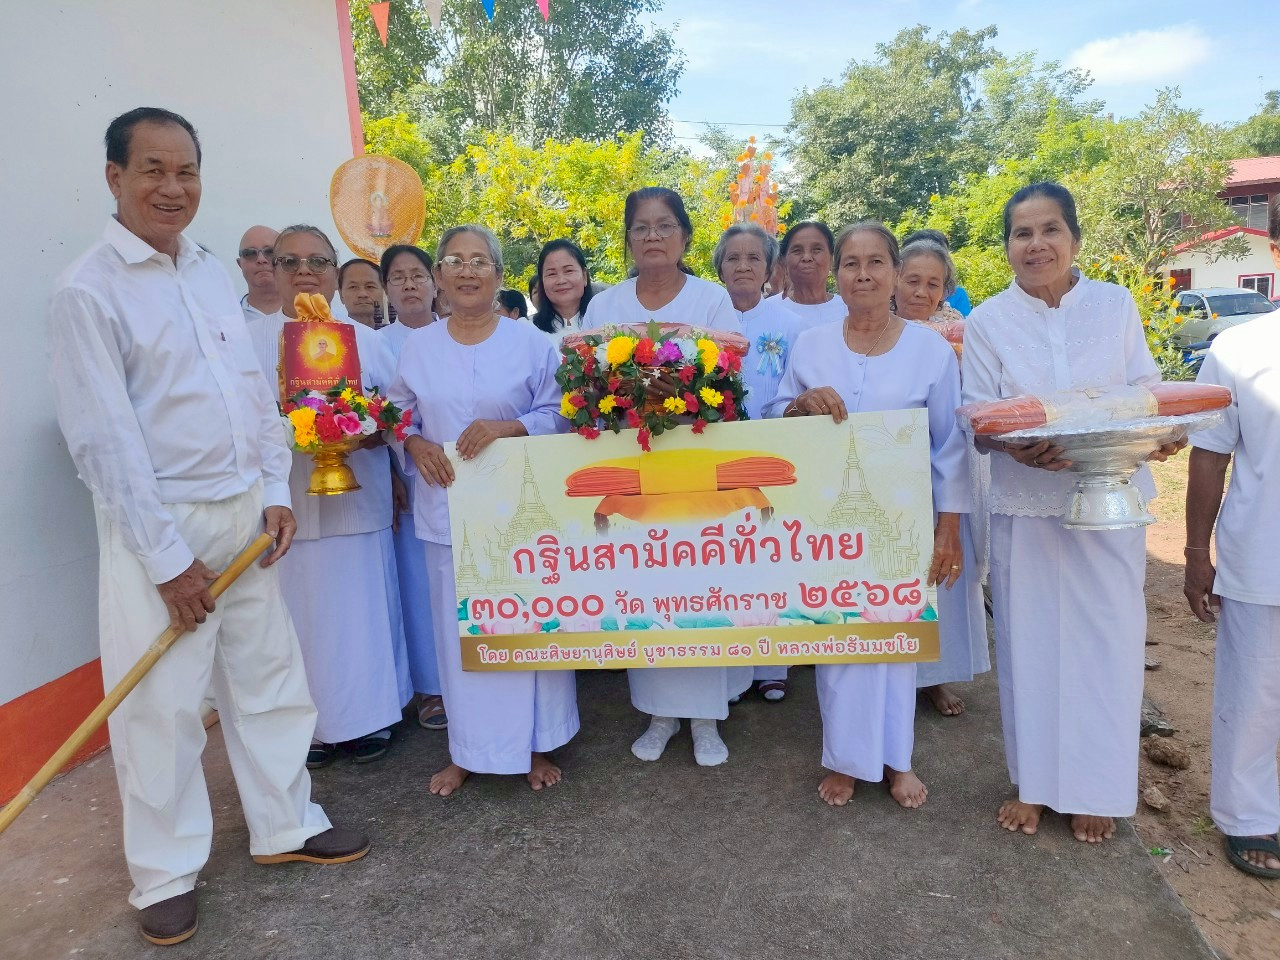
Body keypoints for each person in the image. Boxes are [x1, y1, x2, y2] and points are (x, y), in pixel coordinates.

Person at [47, 107, 366, 947]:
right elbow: (103, 440)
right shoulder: (88, 290)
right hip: (161, 525)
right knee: (160, 708)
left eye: (186, 170)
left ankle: (286, 824)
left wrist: (274, 489)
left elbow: (249, 393)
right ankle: (164, 873)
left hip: (242, 514)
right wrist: (165, 560)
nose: (172, 187)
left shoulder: (208, 276)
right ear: (115, 178)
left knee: (268, 679)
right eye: (153, 170)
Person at [962, 182, 1185, 843]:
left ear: (1074, 239)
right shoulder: (988, 322)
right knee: (1030, 645)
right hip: (1026, 506)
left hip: (1112, 496)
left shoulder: (1113, 306)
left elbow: (1146, 387)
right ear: (1007, 247)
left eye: (1049, 229)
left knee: (1107, 643)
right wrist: (1018, 448)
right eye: (1021, 233)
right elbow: (978, 417)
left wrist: (1166, 429)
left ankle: (1097, 788)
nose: (1036, 244)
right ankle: (1034, 785)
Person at [767, 222, 968, 809]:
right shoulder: (812, 345)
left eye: (875, 263)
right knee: (841, 639)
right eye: (851, 264)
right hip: (829, 519)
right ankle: (846, 761)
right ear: (837, 275)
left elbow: (950, 444)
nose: (863, 275)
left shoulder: (929, 348)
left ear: (894, 272)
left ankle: (898, 761)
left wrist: (948, 525)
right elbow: (779, 414)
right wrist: (800, 404)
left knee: (894, 639)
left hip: (903, 518)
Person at [388, 224, 577, 797]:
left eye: (479, 261)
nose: (467, 271)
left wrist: (510, 426)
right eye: (455, 261)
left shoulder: (530, 344)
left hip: (520, 509)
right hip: (448, 508)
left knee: (529, 621)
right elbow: (398, 414)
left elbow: (560, 413)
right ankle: (469, 750)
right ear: (440, 275)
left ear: (497, 274)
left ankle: (538, 743)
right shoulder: (418, 346)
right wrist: (415, 445)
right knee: (459, 630)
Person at [585, 187, 749, 766]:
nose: (651, 236)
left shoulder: (711, 300)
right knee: (647, 584)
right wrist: (627, 394)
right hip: (632, 465)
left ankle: (707, 718)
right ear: (628, 238)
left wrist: (680, 394)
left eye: (663, 226)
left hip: (698, 462)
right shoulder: (604, 306)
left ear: (684, 236)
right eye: (640, 227)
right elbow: (583, 383)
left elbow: (730, 374)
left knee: (700, 581)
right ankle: (658, 714)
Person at [246, 224, 409, 769]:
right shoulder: (252, 341)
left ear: (336, 273)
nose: (304, 272)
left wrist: (368, 426)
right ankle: (312, 729)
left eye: (317, 261)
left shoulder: (367, 341)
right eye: (290, 262)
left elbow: (397, 410)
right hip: (288, 502)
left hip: (358, 497)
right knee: (298, 619)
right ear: (274, 269)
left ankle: (370, 718)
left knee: (361, 612)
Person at [1182, 194, 1280, 878]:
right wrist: (1194, 552)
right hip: (1261, 551)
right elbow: (1210, 454)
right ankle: (1250, 816)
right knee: (1254, 691)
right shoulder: (1241, 348)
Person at [894, 239, 990, 716]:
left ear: (945, 290)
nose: (921, 291)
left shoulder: (959, 334)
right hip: (891, 468)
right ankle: (894, 674)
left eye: (933, 283)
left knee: (943, 568)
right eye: (912, 280)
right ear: (894, 281)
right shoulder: (875, 331)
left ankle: (934, 678)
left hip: (946, 462)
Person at [714, 221, 806, 702]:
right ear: (720, 268)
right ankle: (729, 668)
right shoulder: (704, 321)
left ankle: (773, 663)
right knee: (725, 559)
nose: (743, 266)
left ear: (770, 268)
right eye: (734, 258)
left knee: (769, 555)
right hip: (714, 455)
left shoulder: (791, 325)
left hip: (774, 452)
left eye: (754, 258)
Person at [378, 244, 446, 732]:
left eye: (417, 275)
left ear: (434, 280)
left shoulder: (459, 333)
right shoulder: (375, 343)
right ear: (386, 288)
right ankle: (430, 687)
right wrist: (391, 470)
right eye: (397, 277)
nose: (408, 284)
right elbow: (384, 416)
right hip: (407, 477)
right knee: (420, 588)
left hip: (467, 478)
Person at [775, 220, 846, 328]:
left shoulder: (849, 310)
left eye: (816, 250)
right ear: (784, 260)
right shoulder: (772, 311)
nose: (807, 257)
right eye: (797, 251)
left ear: (831, 259)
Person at [530, 238, 594, 339]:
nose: (561, 280)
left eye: (568, 271)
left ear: (584, 276)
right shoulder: (526, 329)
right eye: (551, 274)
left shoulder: (606, 322)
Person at [903, 228, 971, 316]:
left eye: (932, 284)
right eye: (913, 281)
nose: (921, 293)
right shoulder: (881, 316)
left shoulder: (955, 323)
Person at [236, 224, 281, 321]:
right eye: (250, 253)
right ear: (240, 264)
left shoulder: (313, 315)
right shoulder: (224, 320)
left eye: (270, 252)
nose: (261, 259)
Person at [338, 257, 384, 328]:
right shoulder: (331, 336)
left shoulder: (399, 336)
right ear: (341, 295)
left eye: (370, 286)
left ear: (383, 291)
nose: (362, 294)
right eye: (353, 287)